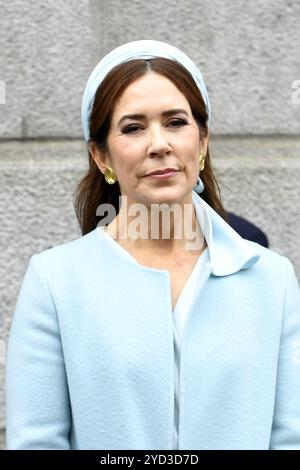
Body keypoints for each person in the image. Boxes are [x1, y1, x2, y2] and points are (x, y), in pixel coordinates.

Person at [5, 39, 300, 450]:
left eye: (176, 122)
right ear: (101, 156)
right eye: (133, 127)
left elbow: (290, 439)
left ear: (203, 141)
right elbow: (36, 443)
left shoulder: (273, 280)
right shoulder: (56, 282)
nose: (159, 143)